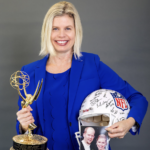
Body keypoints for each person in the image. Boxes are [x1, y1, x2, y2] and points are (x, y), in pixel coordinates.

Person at [16, 1, 148, 150]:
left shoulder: (93, 64)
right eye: (55, 28)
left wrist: (128, 122)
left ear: (76, 31)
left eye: (68, 28)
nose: (62, 35)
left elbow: (137, 99)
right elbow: (23, 127)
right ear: (47, 31)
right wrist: (23, 126)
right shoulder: (28, 72)